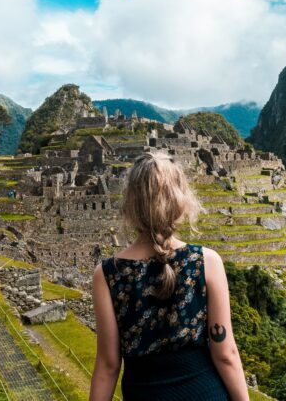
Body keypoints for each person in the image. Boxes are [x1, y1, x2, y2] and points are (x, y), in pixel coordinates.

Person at [89, 152, 250, 401]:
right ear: (180, 201)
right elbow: (225, 353)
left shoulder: (108, 274)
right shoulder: (205, 262)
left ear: (131, 203)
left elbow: (108, 366)